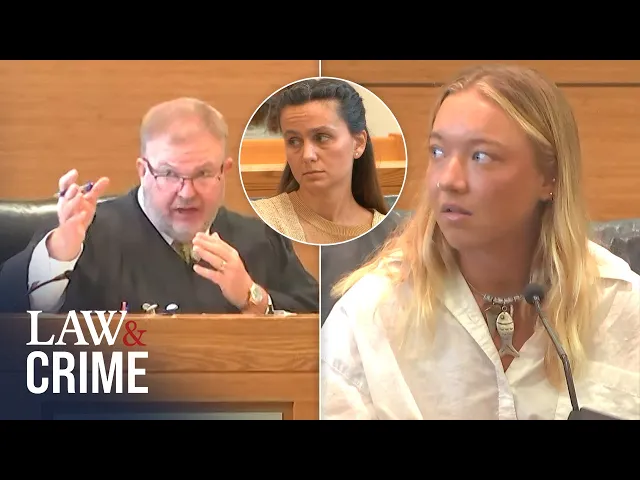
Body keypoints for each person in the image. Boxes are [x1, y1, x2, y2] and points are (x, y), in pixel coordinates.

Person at [320, 65, 640, 420]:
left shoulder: (621, 305)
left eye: (481, 156)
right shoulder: (368, 317)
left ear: (548, 177)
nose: (448, 180)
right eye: (438, 152)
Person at [0, 97, 319, 315]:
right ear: (143, 170)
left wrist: (253, 297)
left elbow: (322, 324)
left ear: (224, 171)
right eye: (168, 174)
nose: (187, 192)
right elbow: (13, 311)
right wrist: (59, 254)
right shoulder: (86, 236)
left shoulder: (260, 240)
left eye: (203, 174)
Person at [250, 78, 389, 245]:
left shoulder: (392, 232)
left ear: (358, 143)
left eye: (322, 137)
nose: (307, 155)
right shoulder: (259, 221)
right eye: (294, 141)